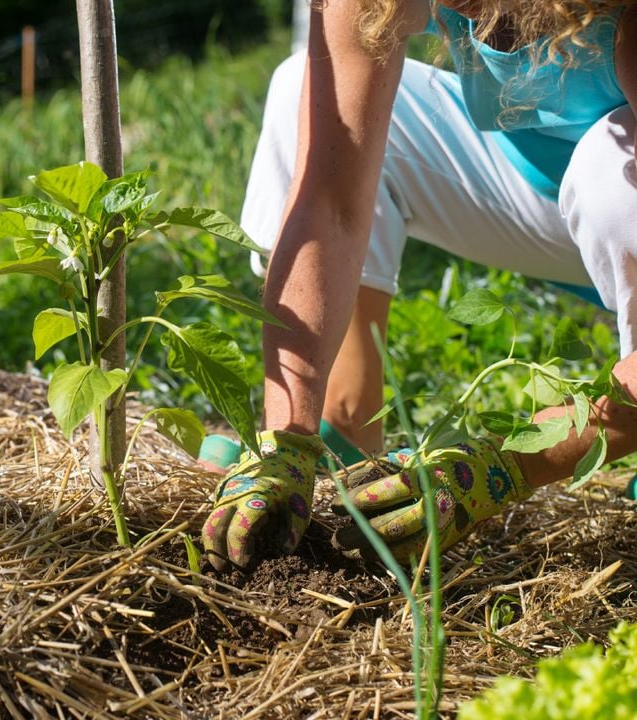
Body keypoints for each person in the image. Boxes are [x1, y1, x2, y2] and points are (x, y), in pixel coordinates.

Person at [201, 0, 637, 571]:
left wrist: (503, 465)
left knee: (611, 169)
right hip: (539, 188)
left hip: (619, 196)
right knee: (304, 90)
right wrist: (285, 436)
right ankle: (344, 419)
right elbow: (331, 202)